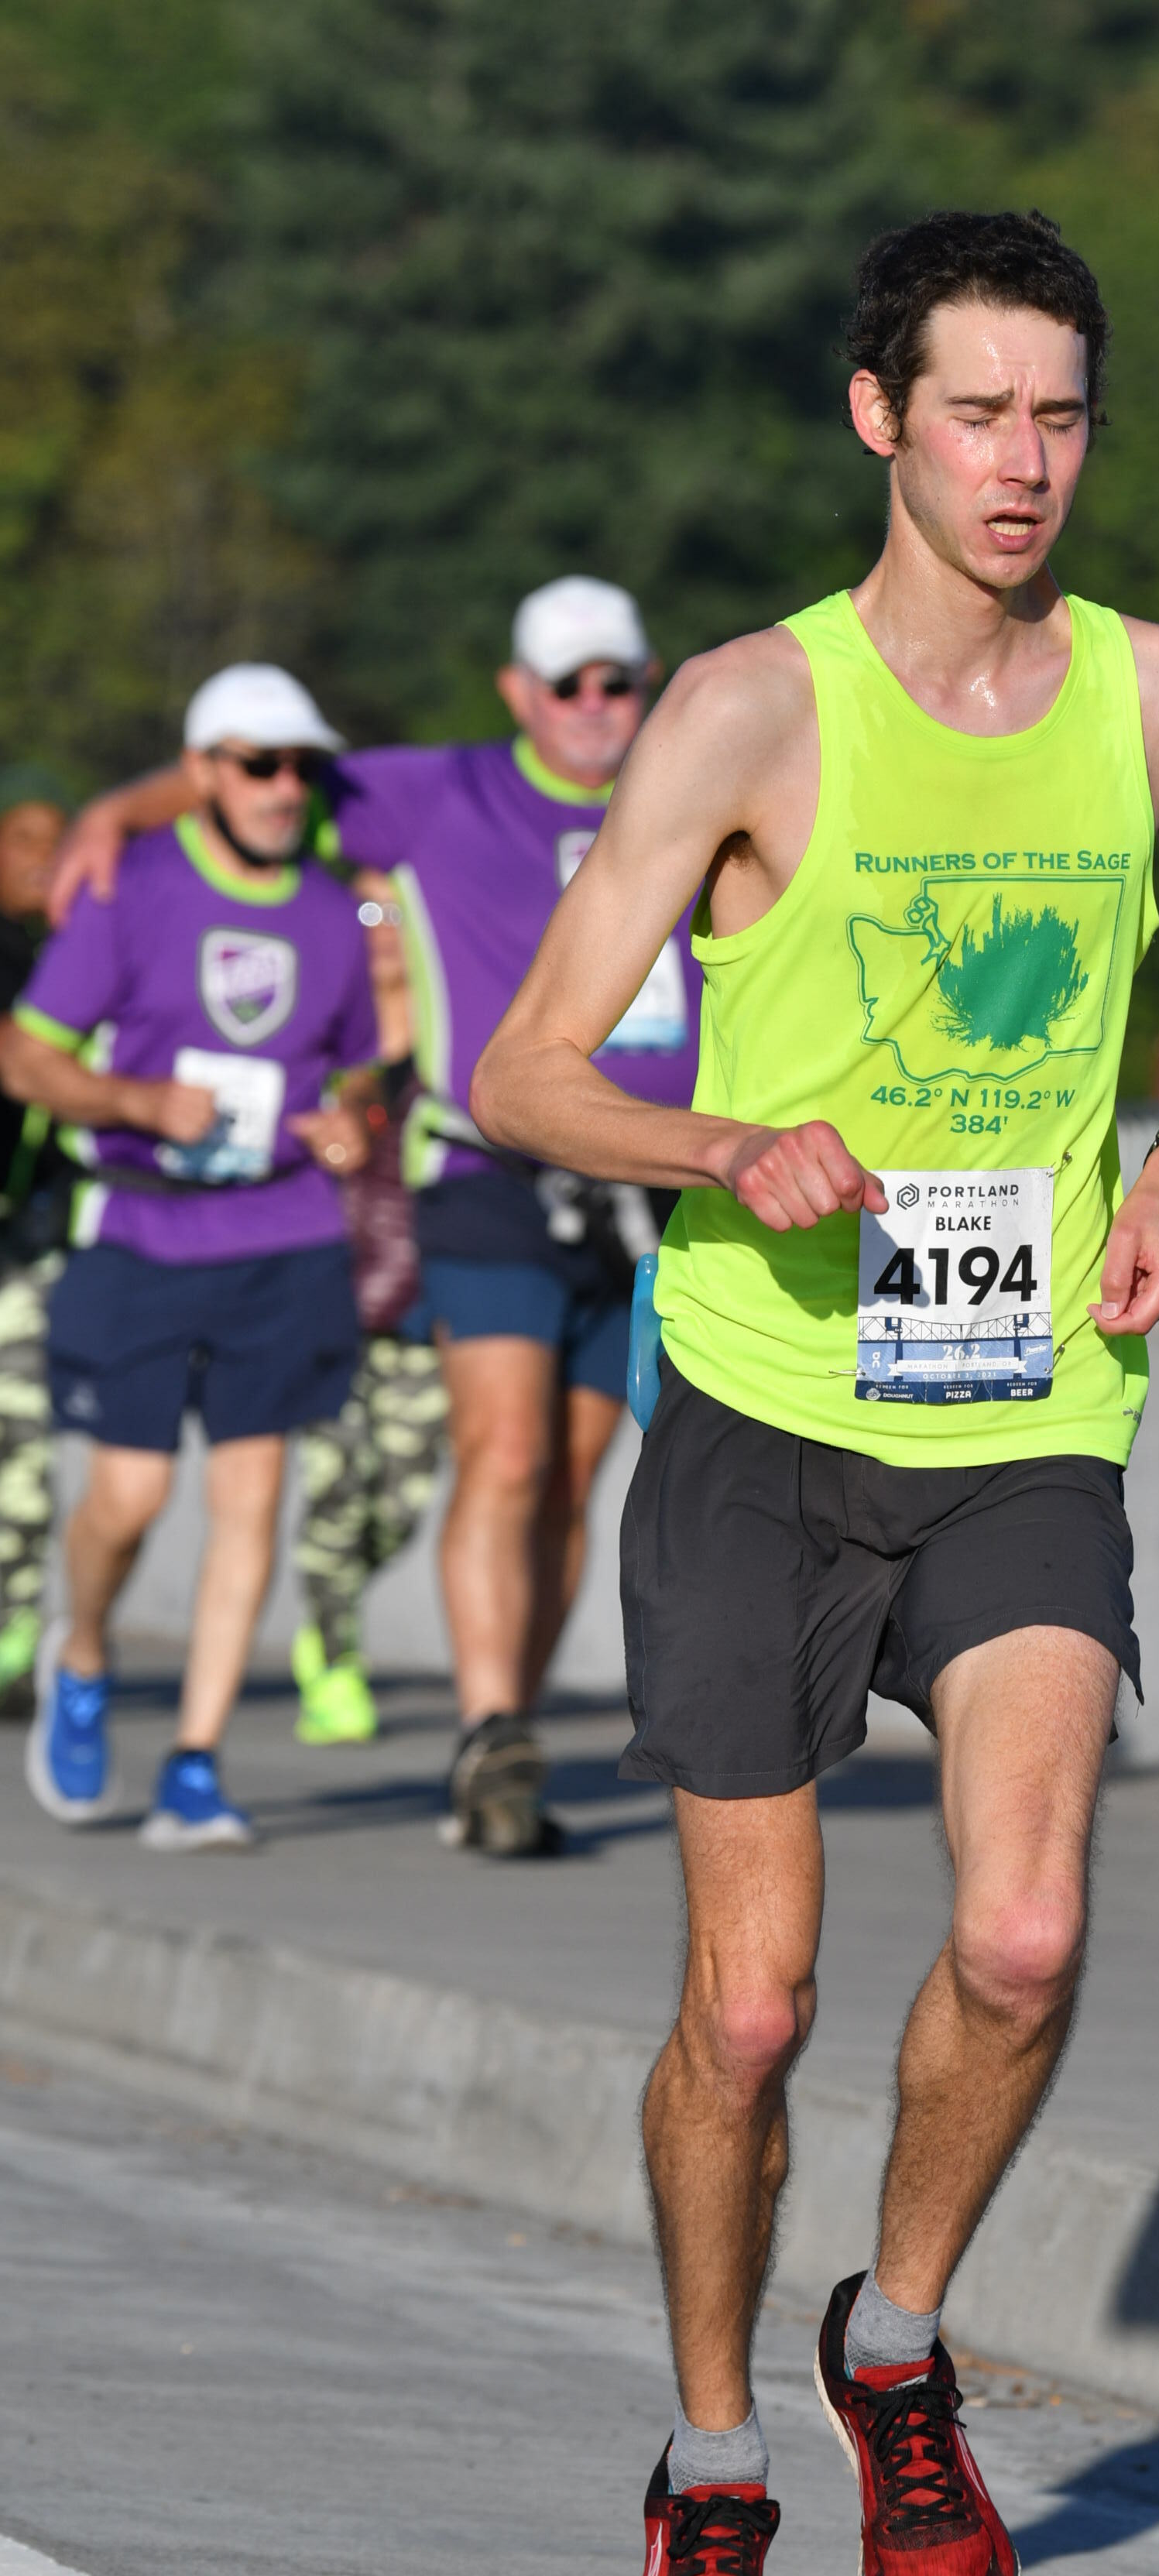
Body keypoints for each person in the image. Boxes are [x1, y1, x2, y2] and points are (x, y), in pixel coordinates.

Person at [472, 209, 1159, 2576]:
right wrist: (726, 1142)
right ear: (879, 419)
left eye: (1061, 418)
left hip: (1028, 1405)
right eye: (977, 414)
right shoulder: (748, 711)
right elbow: (521, 1073)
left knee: (1021, 1934)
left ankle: (898, 2349)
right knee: (751, 2008)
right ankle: (714, 2474)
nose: (1023, 463)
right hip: (759, 1405)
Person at [52, 578, 694, 1857]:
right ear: (518, 692)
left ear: (648, 684)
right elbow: (259, 771)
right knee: (503, 1455)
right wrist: (116, 813)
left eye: (615, 680)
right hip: (488, 1171)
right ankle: (487, 1727)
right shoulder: (444, 790)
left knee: (572, 1479)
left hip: (651, 1182)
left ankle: (504, 1743)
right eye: (565, 683)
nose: (592, 705)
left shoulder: (690, 784)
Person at [1, 667, 376, 1847]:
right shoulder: (132, 887)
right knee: (127, 1497)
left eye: (301, 765)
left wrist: (346, 1120)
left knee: (251, 1497)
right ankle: (82, 1652)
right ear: (204, 769)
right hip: (143, 1229)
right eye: (259, 763)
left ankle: (196, 1764)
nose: (284, 787)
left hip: (284, 1233)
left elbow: (355, 1067)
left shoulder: (332, 912)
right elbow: (27, 1056)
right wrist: (136, 1101)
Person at [289, 873, 449, 1744]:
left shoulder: (449, 1032)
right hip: (325, 1290)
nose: (382, 927)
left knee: (402, 1502)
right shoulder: (318, 1029)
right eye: (365, 910)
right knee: (337, 1490)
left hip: (423, 1299)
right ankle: (331, 1656)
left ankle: (335, 1608)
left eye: (396, 910)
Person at [0, 767, 77, 1718]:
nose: (43, 860)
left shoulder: (68, 954)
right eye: (24, 840)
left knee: (22, 1444)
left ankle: (13, 1638)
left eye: (58, 843)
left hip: (25, 1244)